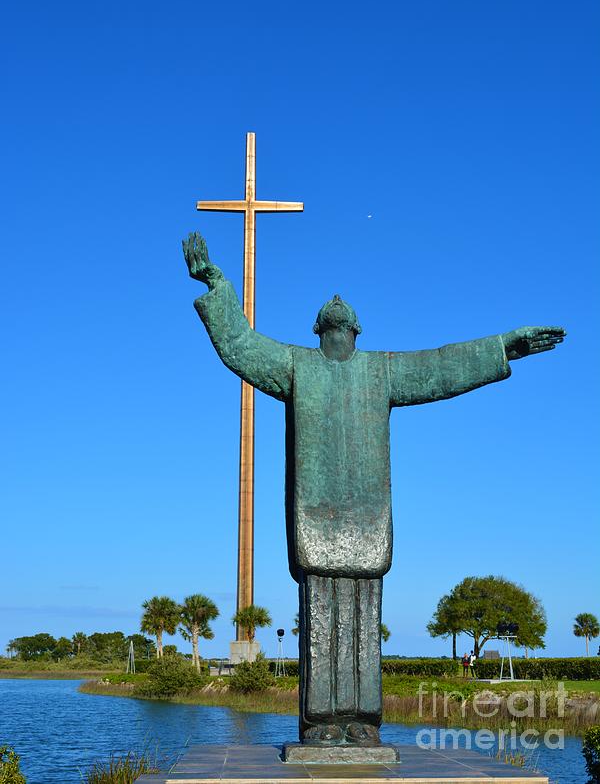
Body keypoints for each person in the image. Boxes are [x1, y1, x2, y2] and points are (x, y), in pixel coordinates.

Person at [183, 231, 566, 747]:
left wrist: (504, 347)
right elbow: (241, 346)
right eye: (332, 315)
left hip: (365, 522)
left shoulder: (382, 372)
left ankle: (362, 722)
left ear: (353, 330)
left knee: (362, 622)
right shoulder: (298, 365)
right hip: (318, 521)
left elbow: (444, 367)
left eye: (343, 315)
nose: (338, 312)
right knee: (323, 618)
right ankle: (321, 723)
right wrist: (215, 281)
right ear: (324, 329)